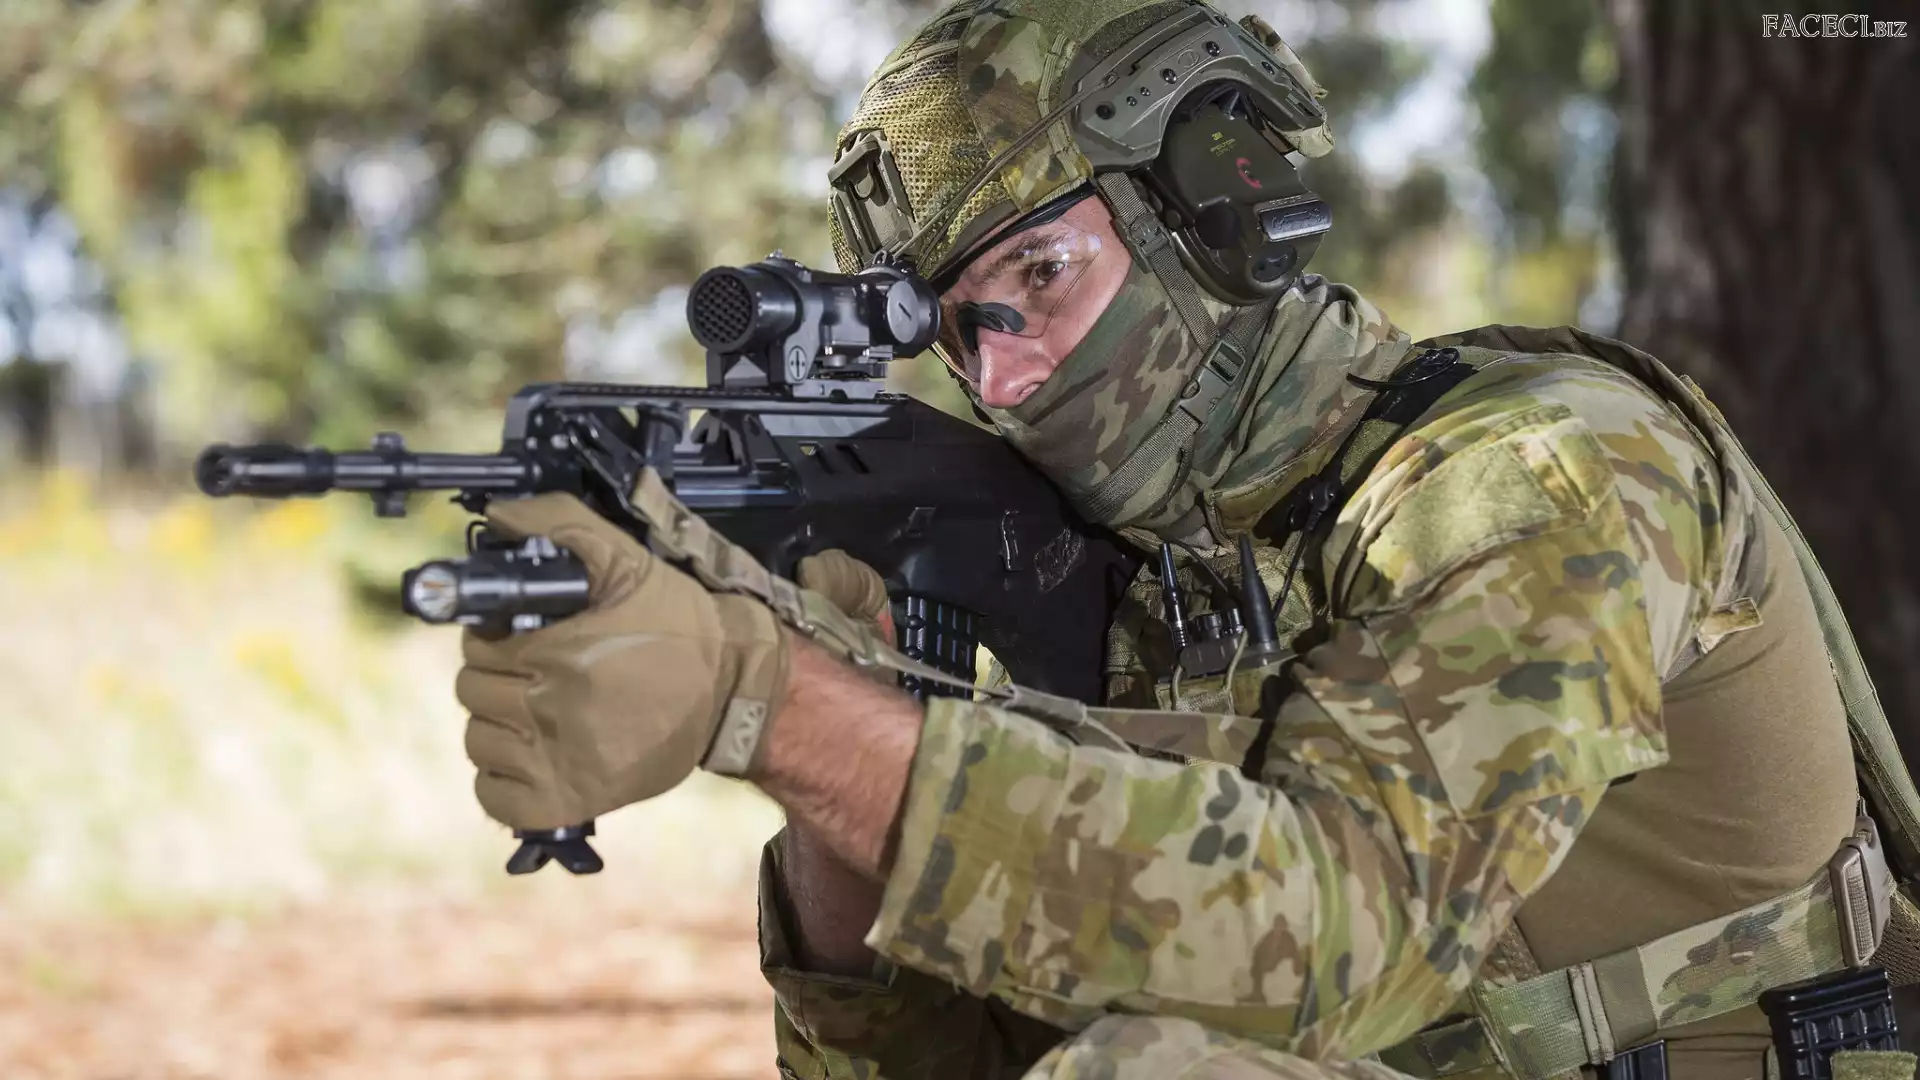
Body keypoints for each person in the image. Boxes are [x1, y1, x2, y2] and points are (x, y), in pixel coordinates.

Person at [453, 2, 1920, 1078]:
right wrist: (842, 700)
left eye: (1039, 273)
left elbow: (1339, 933)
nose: (1006, 378)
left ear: (1215, 206)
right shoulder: (1147, 574)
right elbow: (919, 1068)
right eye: (956, 332)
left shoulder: (1538, 471)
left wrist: (771, 703)